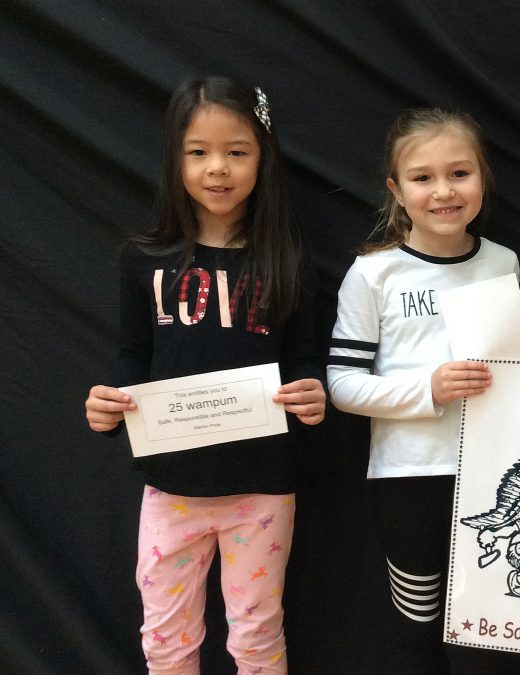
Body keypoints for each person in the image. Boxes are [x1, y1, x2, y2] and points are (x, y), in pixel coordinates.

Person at [84, 77, 326, 674]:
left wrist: (312, 391)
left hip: (262, 486)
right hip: (172, 486)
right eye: (198, 152)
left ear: (262, 159)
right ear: (175, 159)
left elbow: (302, 359)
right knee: (165, 637)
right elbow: (133, 357)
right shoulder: (145, 258)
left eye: (236, 152)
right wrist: (110, 403)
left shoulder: (289, 257)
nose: (217, 169)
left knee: (257, 635)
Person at [326, 108, 520, 673]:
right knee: (418, 620)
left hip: (494, 476)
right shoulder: (375, 274)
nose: (443, 191)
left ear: (483, 178)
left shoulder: (504, 264)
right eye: (423, 178)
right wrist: (428, 389)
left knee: (488, 624)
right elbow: (341, 385)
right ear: (396, 189)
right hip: (410, 476)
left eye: (460, 173)